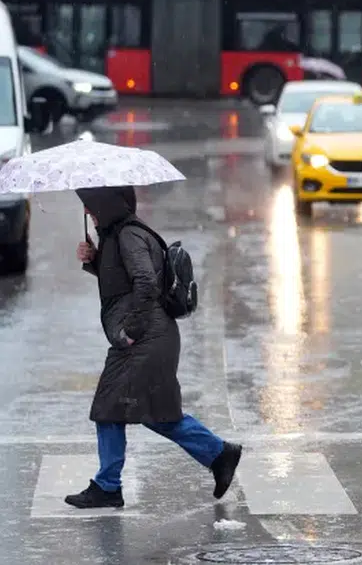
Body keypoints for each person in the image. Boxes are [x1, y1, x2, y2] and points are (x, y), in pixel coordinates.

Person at [66, 185, 242, 509]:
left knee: (109, 408)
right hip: (150, 337)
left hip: (145, 338)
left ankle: (107, 486)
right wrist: (94, 259)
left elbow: (146, 282)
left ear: (106, 204)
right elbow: (122, 281)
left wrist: (130, 330)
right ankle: (219, 454)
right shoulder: (118, 234)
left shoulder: (129, 235)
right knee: (155, 413)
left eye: (91, 204)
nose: (88, 211)